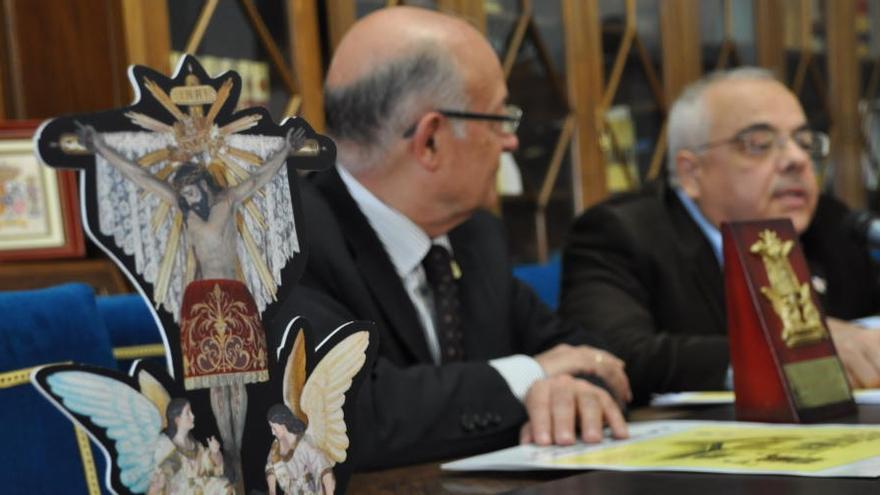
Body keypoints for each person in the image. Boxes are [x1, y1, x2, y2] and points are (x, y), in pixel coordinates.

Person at [270, 6, 630, 469]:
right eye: (500, 117)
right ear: (431, 141)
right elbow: (341, 414)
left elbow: (583, 354)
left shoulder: (475, 236)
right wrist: (530, 375)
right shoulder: (288, 242)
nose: (512, 141)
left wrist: (565, 391)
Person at [560, 67, 880, 404]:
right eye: (759, 144)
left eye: (805, 142)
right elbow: (617, 354)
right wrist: (787, 353)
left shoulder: (831, 224)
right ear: (691, 172)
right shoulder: (621, 233)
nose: (797, 160)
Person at [79, 124, 307, 484]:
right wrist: (100, 148)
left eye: (191, 190)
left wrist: (286, 152)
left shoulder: (227, 201)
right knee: (218, 383)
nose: (188, 198)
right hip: (201, 301)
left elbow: (261, 176)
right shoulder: (185, 213)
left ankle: (238, 447)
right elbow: (141, 177)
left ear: (203, 184)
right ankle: (229, 451)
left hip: (233, 295)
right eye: (183, 193)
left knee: (240, 382)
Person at [149, 398, 232, 495]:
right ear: (178, 420)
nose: (193, 416)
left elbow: (210, 469)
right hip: (179, 491)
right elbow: (166, 480)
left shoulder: (195, 445)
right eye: (188, 413)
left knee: (225, 487)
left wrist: (215, 452)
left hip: (197, 487)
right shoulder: (166, 446)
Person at [265, 404, 335, 495]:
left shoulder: (304, 445)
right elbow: (270, 467)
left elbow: (324, 469)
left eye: (274, 428)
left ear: (283, 426)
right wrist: (272, 491)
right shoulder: (276, 446)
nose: (272, 432)